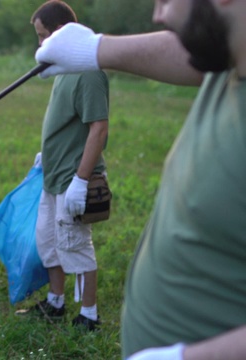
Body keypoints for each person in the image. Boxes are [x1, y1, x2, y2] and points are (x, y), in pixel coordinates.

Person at [34, 0, 246, 358]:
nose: (157, 15)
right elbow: (187, 51)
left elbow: (97, 128)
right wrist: (97, 47)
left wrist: (187, 357)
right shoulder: (228, 63)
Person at [15, 0, 109, 332]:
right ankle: (55, 303)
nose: (40, 44)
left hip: (74, 178)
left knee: (76, 247)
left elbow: (98, 127)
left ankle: (89, 315)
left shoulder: (88, 71)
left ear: (59, 33)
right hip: (52, 176)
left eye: (43, 36)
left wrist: (82, 180)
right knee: (49, 242)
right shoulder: (62, 67)